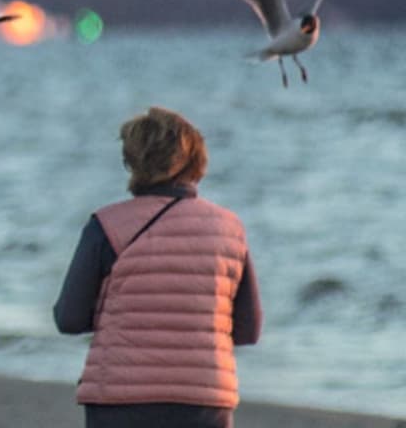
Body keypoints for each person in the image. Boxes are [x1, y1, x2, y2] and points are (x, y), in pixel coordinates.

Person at [53, 107, 262, 428]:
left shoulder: (107, 225)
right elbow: (248, 329)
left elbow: (69, 318)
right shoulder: (230, 229)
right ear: (196, 162)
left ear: (133, 161)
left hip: (121, 401)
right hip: (204, 401)